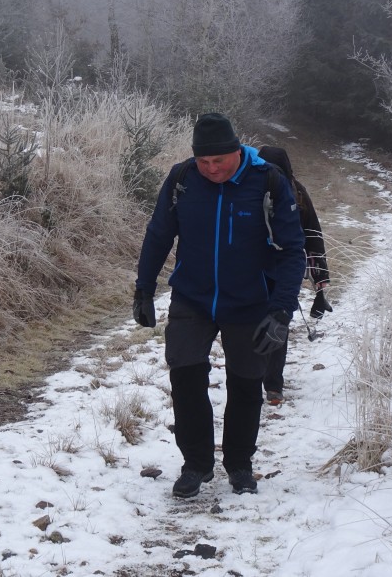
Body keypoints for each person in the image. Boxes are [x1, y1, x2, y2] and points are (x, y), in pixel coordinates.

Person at [132, 113, 306, 498]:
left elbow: (293, 250)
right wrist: (143, 289)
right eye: (203, 161)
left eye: (219, 161)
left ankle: (240, 464)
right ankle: (196, 464)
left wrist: (281, 310)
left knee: (246, 382)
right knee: (185, 375)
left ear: (236, 151)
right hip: (192, 297)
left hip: (250, 301)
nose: (211, 169)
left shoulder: (268, 182)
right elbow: (158, 234)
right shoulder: (182, 179)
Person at [256, 146, 332, 407]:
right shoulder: (291, 191)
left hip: (284, 268)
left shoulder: (296, 193)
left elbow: (312, 237)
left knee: (276, 318)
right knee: (271, 321)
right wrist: (320, 286)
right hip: (262, 268)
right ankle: (269, 384)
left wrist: (320, 288)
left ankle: (271, 383)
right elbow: (315, 238)